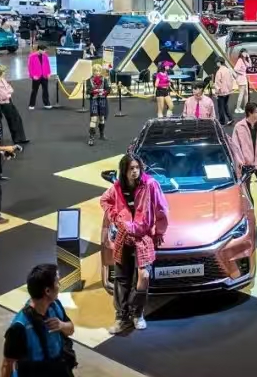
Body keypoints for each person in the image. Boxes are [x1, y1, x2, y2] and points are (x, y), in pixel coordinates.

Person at [100, 155, 169, 334]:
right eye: (131, 168)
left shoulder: (150, 184)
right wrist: (115, 216)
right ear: (124, 170)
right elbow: (104, 200)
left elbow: (161, 209)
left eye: (137, 167)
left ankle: (137, 313)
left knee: (143, 276)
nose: (135, 171)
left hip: (143, 237)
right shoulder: (117, 187)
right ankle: (121, 317)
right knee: (122, 278)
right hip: (123, 237)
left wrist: (159, 231)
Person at [1, 264, 76, 377]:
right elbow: (7, 364)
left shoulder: (55, 305)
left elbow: (71, 330)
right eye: (57, 282)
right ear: (47, 291)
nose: (59, 285)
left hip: (59, 369)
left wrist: (61, 325)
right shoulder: (19, 327)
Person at [0, 65, 29, 145]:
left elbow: (10, 89)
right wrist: (8, 93)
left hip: (8, 101)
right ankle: (16, 139)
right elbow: (4, 95)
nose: (5, 73)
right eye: (4, 71)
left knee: (17, 118)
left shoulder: (3, 80)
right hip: (4, 104)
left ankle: (21, 137)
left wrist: (8, 92)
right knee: (12, 121)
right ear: (1, 72)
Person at [86, 65, 110, 145]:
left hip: (102, 101)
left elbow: (108, 89)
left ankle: (101, 135)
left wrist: (104, 92)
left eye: (99, 71)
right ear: (93, 71)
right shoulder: (89, 80)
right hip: (94, 101)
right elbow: (88, 91)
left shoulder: (104, 80)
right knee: (93, 119)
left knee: (102, 118)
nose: (97, 73)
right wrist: (94, 91)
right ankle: (91, 138)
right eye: (95, 71)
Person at [28, 45, 53, 110]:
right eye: (44, 50)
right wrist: (32, 75)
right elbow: (30, 67)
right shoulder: (32, 56)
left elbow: (48, 65)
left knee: (45, 90)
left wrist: (49, 73)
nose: (45, 51)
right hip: (36, 76)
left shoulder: (45, 56)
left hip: (44, 75)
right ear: (39, 50)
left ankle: (47, 104)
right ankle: (31, 104)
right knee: (34, 90)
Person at [213, 57, 235, 126]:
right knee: (225, 105)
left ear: (219, 62)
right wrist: (230, 89)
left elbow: (217, 83)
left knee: (220, 107)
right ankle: (230, 118)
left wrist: (216, 93)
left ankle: (222, 122)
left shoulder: (219, 72)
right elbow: (232, 80)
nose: (216, 64)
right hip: (228, 91)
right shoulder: (228, 70)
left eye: (217, 62)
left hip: (221, 93)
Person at [233, 49, 251, 115]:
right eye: (244, 52)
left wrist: (248, 57)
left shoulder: (244, 60)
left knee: (246, 93)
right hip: (241, 79)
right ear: (241, 53)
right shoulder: (240, 60)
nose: (245, 53)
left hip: (243, 78)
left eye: (246, 52)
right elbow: (235, 69)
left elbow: (250, 65)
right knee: (242, 93)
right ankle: (237, 108)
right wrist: (242, 73)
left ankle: (245, 107)